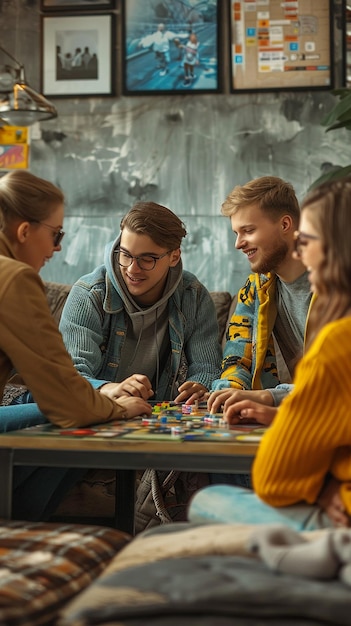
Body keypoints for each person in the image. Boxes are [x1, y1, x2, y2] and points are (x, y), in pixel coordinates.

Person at [189, 176, 351, 531]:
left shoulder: (337, 308)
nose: (237, 243)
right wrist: (226, 392)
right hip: (308, 423)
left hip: (315, 444)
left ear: (287, 226)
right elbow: (237, 358)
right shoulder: (258, 286)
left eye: (247, 230)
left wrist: (270, 398)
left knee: (208, 503)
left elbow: (325, 395)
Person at [0, 170, 152, 519]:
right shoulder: (15, 277)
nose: (57, 248)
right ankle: (26, 528)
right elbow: (64, 397)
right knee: (93, 417)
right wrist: (119, 406)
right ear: (24, 231)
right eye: (56, 234)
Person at [59, 201, 222, 405]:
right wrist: (109, 389)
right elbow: (70, 374)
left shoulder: (193, 295)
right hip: (99, 408)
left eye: (147, 259)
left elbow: (207, 366)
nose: (132, 269)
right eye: (125, 255)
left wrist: (200, 385)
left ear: (174, 256)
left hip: (162, 414)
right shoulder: (90, 294)